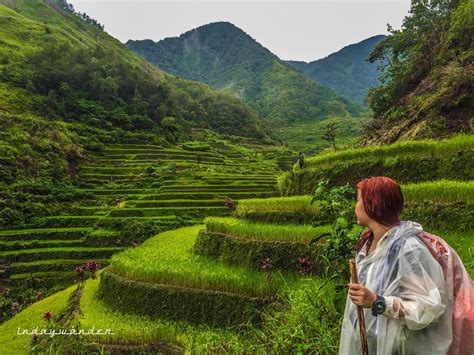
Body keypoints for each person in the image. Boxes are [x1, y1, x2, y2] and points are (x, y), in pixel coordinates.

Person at [338, 176, 465, 355]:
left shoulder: (408, 249)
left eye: (358, 200)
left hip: (399, 347)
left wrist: (378, 302)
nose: (355, 206)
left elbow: (428, 307)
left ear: (372, 204)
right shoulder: (369, 244)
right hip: (374, 343)